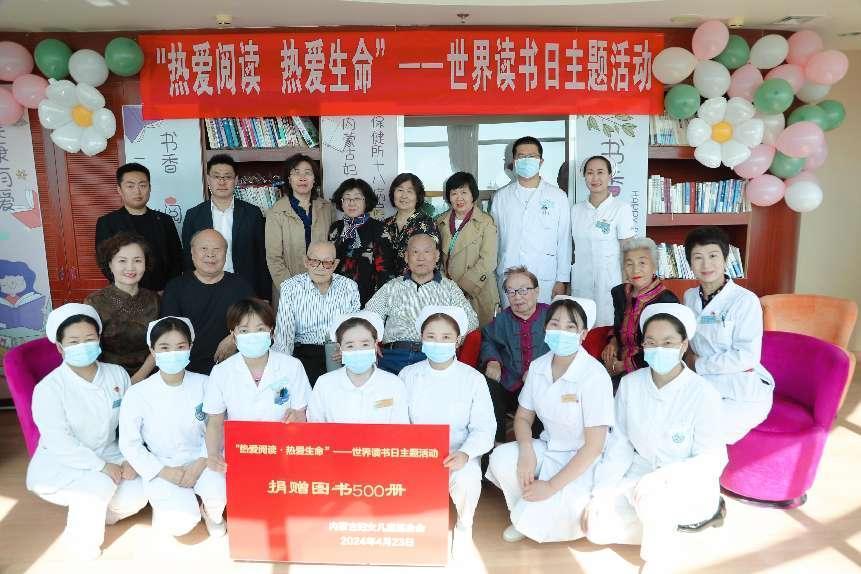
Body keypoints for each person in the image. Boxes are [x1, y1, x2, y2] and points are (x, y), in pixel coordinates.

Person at [585, 304, 727, 573]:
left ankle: (659, 558)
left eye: (668, 342)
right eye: (651, 342)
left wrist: (662, 479)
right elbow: (620, 444)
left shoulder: (703, 393)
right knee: (597, 528)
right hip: (640, 471)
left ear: (684, 345)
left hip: (687, 481)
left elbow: (712, 459)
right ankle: (672, 530)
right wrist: (600, 494)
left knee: (652, 498)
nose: (659, 348)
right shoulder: (630, 384)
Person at [486, 296, 613, 544]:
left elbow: (594, 446)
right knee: (502, 458)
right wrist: (526, 451)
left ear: (583, 334)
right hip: (549, 447)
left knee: (565, 516)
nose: (561, 331)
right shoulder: (538, 367)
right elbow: (523, 417)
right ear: (545, 328)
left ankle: (531, 516)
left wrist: (552, 486)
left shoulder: (594, 374)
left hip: (584, 459)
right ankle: (522, 514)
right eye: (555, 324)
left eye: (570, 327)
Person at [26, 304, 147, 560]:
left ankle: (96, 513)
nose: (83, 346)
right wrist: (102, 467)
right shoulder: (49, 388)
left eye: (89, 339)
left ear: (99, 339)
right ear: (60, 347)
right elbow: (59, 442)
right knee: (97, 485)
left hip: (109, 452)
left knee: (138, 496)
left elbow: (131, 422)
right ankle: (81, 543)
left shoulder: (117, 375)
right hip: (62, 461)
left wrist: (131, 458)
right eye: (73, 341)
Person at [399, 306, 495, 556]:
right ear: (421, 338)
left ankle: (464, 525)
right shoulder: (408, 375)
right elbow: (398, 421)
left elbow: (484, 427)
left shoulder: (473, 379)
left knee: (467, 479)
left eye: (445, 337)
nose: (438, 343)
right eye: (431, 337)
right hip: (416, 454)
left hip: (457, 454)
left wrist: (465, 453)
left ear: (458, 341)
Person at [203, 299, 312, 519]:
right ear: (233, 335)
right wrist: (213, 454)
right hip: (239, 450)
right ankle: (213, 516)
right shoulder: (222, 372)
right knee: (215, 490)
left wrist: (299, 417)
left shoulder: (291, 366)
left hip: (282, 449)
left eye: (260, 329)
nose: (252, 335)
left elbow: (303, 412)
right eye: (244, 330)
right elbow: (214, 421)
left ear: (271, 332)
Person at [119, 317, 227, 538]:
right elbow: (129, 443)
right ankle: (168, 508)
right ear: (152, 350)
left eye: (180, 347)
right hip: (163, 463)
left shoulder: (206, 384)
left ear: (190, 347)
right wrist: (164, 472)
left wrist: (200, 463)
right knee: (180, 523)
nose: (173, 353)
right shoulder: (138, 393)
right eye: (164, 348)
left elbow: (219, 427)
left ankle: (210, 513)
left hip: (203, 458)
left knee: (218, 494)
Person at [682, 226, 774, 445]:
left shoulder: (744, 300)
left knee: (701, 432)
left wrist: (698, 364)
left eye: (713, 256)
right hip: (704, 383)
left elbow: (747, 357)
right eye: (698, 257)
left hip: (742, 388)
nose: (706, 265)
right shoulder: (690, 297)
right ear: (690, 264)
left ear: (725, 259)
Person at [365, 233, 478, 374]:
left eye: (427, 251)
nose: (421, 257)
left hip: (433, 357)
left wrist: (451, 341)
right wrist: (369, 338)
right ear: (406, 257)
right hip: (393, 357)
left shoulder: (449, 288)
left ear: (436, 256)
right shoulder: (392, 286)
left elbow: (471, 320)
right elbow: (369, 315)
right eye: (415, 252)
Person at [160, 229, 254, 374]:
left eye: (217, 249)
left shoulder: (241, 285)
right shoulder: (176, 287)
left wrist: (236, 338)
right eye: (204, 248)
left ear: (226, 253)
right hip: (187, 371)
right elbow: (168, 333)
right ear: (192, 253)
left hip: (232, 369)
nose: (210, 254)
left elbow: (260, 323)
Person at [491, 136, 571, 306]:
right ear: (514, 161)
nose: (526, 160)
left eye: (532, 156)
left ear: (541, 161)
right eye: (521, 156)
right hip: (509, 276)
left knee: (544, 320)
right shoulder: (501, 197)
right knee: (511, 320)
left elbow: (564, 240)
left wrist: (562, 279)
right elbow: (494, 240)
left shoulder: (558, 196)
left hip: (545, 277)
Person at [182, 154, 271, 300]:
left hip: (245, 286)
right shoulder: (194, 215)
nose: (222, 181)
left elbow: (262, 256)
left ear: (236, 180)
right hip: (204, 287)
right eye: (216, 176)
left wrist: (264, 295)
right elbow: (188, 257)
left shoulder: (252, 213)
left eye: (227, 177)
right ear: (208, 179)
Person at [273, 241, 361, 386]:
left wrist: (349, 351)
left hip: (339, 354)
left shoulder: (349, 287)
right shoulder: (291, 287)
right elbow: (284, 336)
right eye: (314, 261)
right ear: (305, 262)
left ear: (335, 264)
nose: (320, 267)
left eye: (327, 262)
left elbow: (355, 329)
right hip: (305, 354)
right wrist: (282, 372)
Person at [479, 266, 550, 443]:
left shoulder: (551, 316)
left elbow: (563, 350)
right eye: (511, 292)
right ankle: (496, 444)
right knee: (487, 387)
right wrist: (493, 361)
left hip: (542, 385)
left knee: (542, 395)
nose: (517, 297)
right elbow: (488, 340)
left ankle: (538, 445)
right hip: (510, 384)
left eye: (523, 290)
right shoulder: (502, 319)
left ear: (536, 291)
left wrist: (539, 371)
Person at [602, 237, 679, 388]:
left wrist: (623, 366)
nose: (635, 270)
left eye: (642, 263)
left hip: (652, 369)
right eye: (629, 264)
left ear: (654, 265)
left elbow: (664, 346)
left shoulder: (666, 300)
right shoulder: (620, 293)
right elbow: (617, 326)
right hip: (617, 362)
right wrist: (613, 342)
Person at [307, 311, 409, 423]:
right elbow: (314, 427)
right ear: (340, 349)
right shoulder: (324, 384)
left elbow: (400, 429)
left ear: (375, 346)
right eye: (350, 346)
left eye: (365, 344)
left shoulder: (393, 384)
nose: (358, 351)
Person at [95, 163, 183, 292]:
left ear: (150, 188)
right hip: (126, 293)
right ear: (119, 189)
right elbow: (104, 262)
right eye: (130, 186)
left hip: (162, 292)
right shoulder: (107, 222)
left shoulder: (165, 220)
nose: (137, 191)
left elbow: (176, 258)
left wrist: (168, 289)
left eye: (143, 185)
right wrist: (128, 288)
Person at [571, 155, 636, 327]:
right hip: (581, 282)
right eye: (590, 173)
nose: (595, 178)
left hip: (610, 282)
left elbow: (628, 251)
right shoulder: (576, 211)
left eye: (600, 172)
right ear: (584, 176)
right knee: (582, 327)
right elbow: (571, 250)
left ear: (610, 175)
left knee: (608, 329)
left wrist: (628, 287)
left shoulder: (621, 209)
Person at [86, 232, 159, 383]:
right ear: (110, 264)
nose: (130, 267)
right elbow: (89, 350)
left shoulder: (156, 300)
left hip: (150, 376)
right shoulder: (94, 302)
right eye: (122, 261)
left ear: (146, 264)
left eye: (137, 260)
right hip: (107, 378)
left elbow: (161, 343)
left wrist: (138, 378)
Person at [266, 154, 335, 300]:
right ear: (289, 179)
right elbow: (274, 258)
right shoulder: (276, 212)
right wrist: (293, 290)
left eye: (308, 173)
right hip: (289, 290)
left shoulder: (327, 208)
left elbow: (333, 249)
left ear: (314, 179)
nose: (302, 178)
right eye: (296, 173)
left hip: (323, 286)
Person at [436, 171, 499, 326]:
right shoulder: (440, 222)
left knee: (480, 335)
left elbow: (489, 260)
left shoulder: (486, 222)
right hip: (448, 292)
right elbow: (436, 259)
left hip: (478, 291)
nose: (459, 198)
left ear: (473, 195)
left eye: (464, 192)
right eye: (454, 193)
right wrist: (446, 286)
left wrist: (464, 287)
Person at [328, 178, 394, 305]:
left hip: (369, 299)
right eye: (347, 198)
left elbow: (385, 271)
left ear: (366, 201)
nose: (351, 203)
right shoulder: (336, 228)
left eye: (357, 198)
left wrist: (379, 304)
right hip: (337, 298)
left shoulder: (378, 228)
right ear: (341, 202)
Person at [382, 173, 439, 276]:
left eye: (410, 191)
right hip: (385, 284)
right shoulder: (385, 224)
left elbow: (432, 261)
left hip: (415, 283)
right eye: (400, 190)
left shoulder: (427, 224)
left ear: (417, 197)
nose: (404, 196)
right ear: (393, 194)